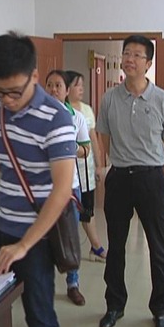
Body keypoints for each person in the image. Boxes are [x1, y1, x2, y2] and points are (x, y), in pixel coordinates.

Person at [0, 32, 76, 327]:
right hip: (1, 229)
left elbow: (62, 191)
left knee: (40, 320)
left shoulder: (56, 118)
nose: (7, 100)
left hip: (36, 238)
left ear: (34, 76)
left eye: (14, 92)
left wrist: (24, 246)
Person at [96, 35, 164, 327]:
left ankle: (161, 310)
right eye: (126, 53)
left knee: (158, 246)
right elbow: (104, 137)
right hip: (119, 178)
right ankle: (114, 305)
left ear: (148, 63)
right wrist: (118, 162)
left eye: (137, 55)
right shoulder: (110, 98)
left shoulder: (162, 99)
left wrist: (147, 160)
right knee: (116, 245)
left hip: (151, 179)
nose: (129, 59)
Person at [45, 69, 90, 306]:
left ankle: (73, 284)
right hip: (42, 188)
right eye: (49, 85)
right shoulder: (37, 117)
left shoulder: (76, 118)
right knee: (43, 237)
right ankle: (43, 284)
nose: (53, 90)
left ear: (66, 91)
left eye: (58, 86)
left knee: (70, 237)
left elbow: (86, 149)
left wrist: (70, 147)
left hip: (69, 187)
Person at [66, 70, 107, 262]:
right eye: (77, 85)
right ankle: (93, 247)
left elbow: (93, 139)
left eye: (82, 85)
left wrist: (99, 165)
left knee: (87, 210)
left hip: (86, 172)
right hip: (69, 174)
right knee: (74, 213)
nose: (81, 89)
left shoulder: (86, 110)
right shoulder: (60, 111)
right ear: (67, 88)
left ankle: (95, 247)